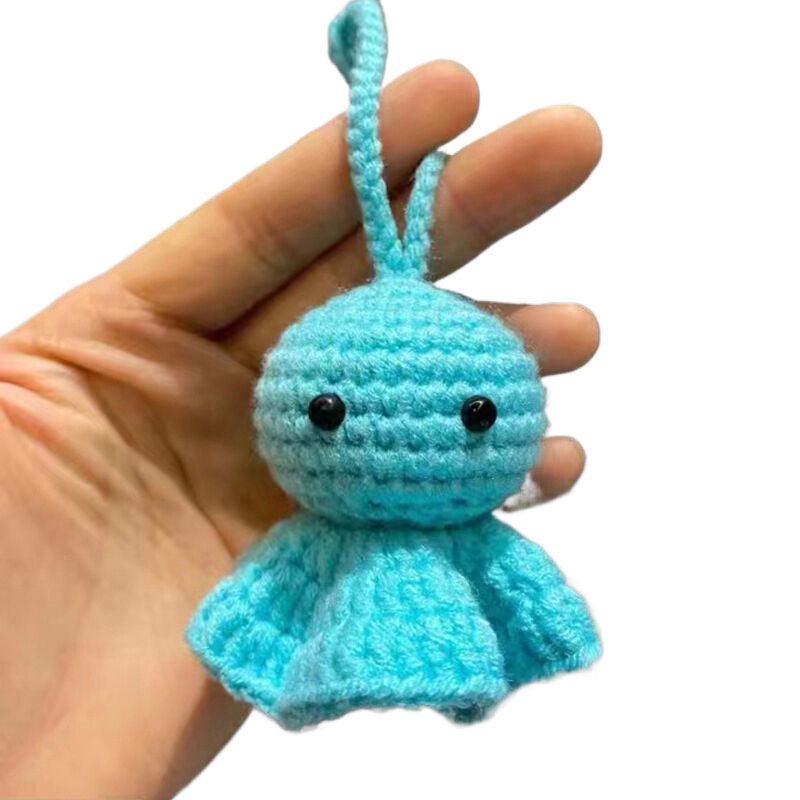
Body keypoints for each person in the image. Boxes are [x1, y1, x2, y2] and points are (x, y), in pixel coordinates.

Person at [0, 61, 601, 798]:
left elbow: (520, 590)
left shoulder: (371, 544)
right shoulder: (325, 543)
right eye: (327, 412)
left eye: (477, 415)